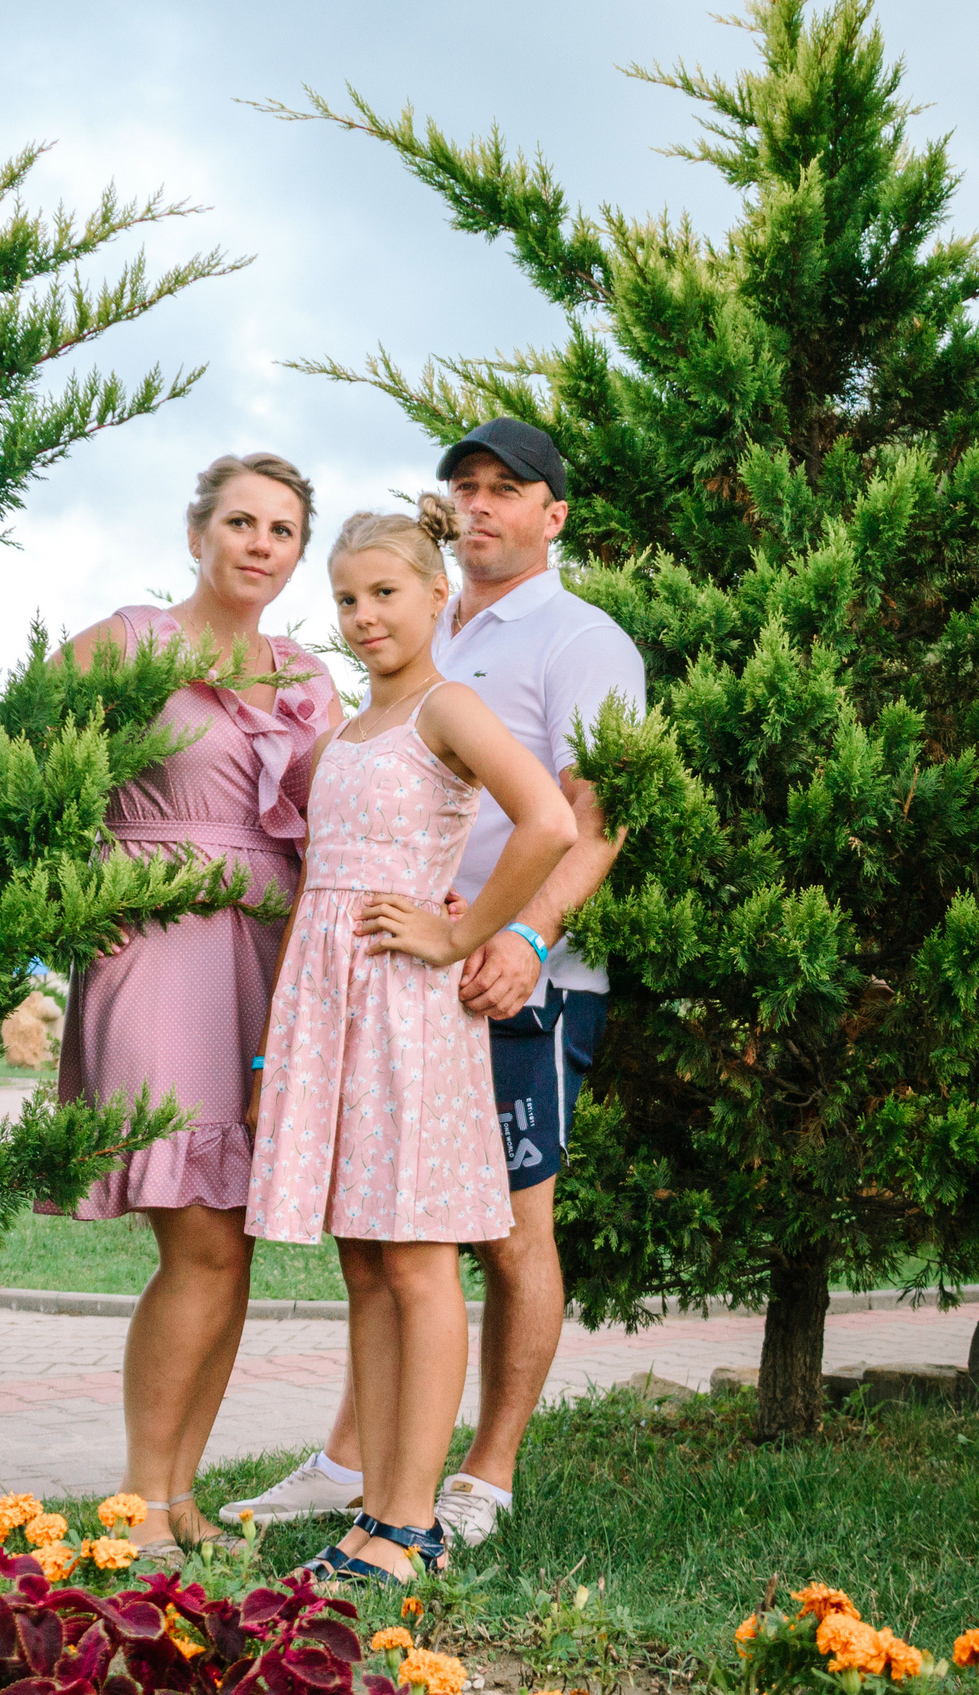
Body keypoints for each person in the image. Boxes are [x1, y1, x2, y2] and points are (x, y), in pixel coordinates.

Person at [223, 421, 643, 1554]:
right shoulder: (417, 641)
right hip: (377, 983)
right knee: (383, 1240)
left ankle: (474, 1480)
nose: (482, 505)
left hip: (501, 967)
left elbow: (587, 821)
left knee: (496, 1231)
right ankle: (362, 1473)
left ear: (554, 511)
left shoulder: (577, 640)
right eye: (466, 488)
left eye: (509, 489)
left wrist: (511, 937)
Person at [47, 453, 343, 1558]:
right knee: (204, 1243)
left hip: (272, 962)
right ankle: (138, 1500)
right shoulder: (123, 644)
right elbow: (17, 773)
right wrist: (73, 899)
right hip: (158, 949)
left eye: (282, 530)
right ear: (197, 535)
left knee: (236, 1248)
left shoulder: (312, 676)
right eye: (240, 522)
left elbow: (343, 817)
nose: (259, 544)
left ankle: (176, 1499)